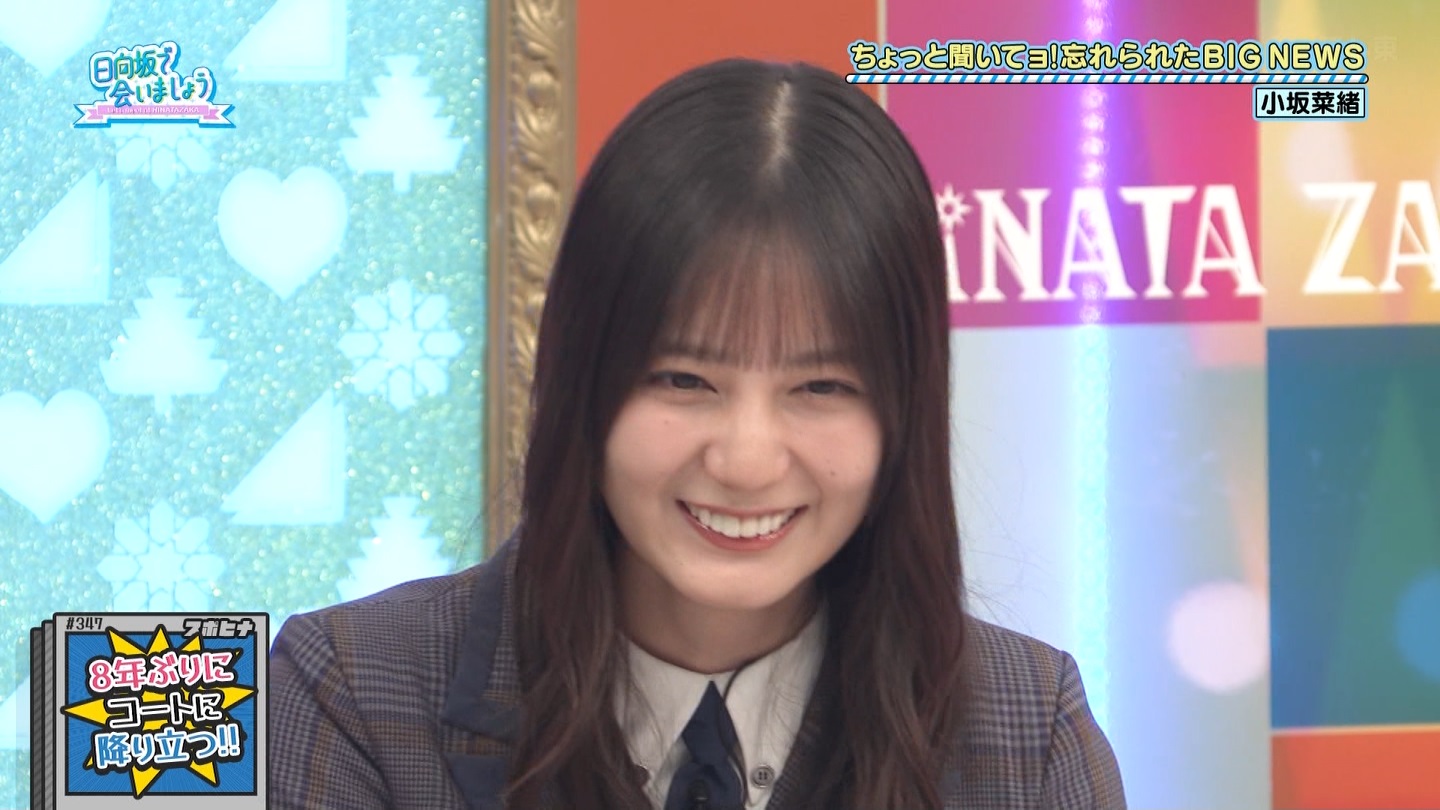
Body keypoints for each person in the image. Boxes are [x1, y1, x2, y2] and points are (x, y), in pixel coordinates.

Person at [269, 58, 1125, 809]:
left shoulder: (1028, 736)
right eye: (684, 380)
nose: (746, 461)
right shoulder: (343, 690)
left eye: (821, 387)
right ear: (581, 380)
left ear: (905, 410)